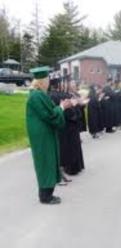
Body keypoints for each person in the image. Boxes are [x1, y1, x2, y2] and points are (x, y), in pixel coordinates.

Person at [26, 66, 72, 204]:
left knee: (48, 160)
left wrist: (60, 107)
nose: (49, 82)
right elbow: (51, 115)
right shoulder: (37, 95)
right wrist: (62, 107)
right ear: (41, 81)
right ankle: (45, 196)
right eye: (47, 79)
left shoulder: (38, 94)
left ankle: (47, 194)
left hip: (43, 133)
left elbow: (50, 110)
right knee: (46, 162)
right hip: (42, 135)